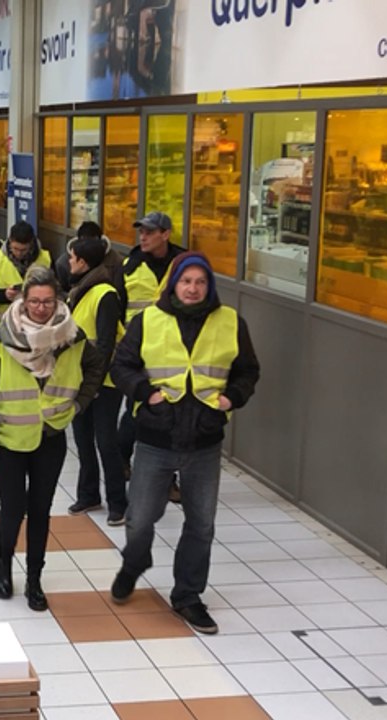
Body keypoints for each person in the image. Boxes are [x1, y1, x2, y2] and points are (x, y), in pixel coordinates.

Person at [109, 253, 260, 634]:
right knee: (140, 518)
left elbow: (248, 370)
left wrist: (232, 398)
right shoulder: (149, 320)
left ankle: (188, 596)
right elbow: (121, 365)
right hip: (156, 436)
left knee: (201, 524)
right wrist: (145, 392)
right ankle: (134, 562)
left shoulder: (230, 322)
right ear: (173, 283)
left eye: (200, 282)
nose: (193, 288)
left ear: (209, 285)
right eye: (186, 281)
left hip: (205, 438)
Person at [0, 266, 105, 611]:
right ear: (23, 301)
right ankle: (4, 566)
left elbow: (95, 367)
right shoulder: (3, 338)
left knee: (40, 510)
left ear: (58, 300)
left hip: (51, 437)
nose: (41, 308)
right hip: (9, 439)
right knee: (13, 509)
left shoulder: (72, 337)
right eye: (34, 301)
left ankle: (34, 579)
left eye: (48, 301)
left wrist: (79, 403)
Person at [121, 211, 186, 497]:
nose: (143, 237)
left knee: (172, 414)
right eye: (141, 232)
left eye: (149, 232)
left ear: (165, 234)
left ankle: (167, 479)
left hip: (176, 352)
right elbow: (118, 311)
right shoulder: (129, 266)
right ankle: (122, 457)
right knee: (137, 410)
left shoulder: (184, 265)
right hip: (140, 352)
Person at [65, 232, 128, 526]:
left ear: (85, 262)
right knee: (83, 439)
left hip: (104, 383)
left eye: (73, 257)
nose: (68, 261)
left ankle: (119, 502)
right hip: (80, 380)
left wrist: (95, 383)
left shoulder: (105, 294)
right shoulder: (80, 289)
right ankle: (89, 494)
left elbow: (105, 344)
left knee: (106, 441)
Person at [0, 222, 53, 328]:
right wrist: (4, 295)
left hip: (37, 323)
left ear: (31, 244)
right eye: (15, 248)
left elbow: (55, 289)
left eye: (23, 250)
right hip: (5, 324)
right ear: (10, 241)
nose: (18, 253)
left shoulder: (46, 259)